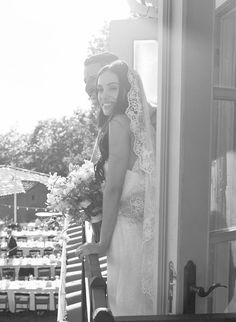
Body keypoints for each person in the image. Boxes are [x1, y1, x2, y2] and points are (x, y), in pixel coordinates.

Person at [76, 60, 157, 316]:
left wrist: (101, 244)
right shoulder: (141, 125)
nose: (103, 96)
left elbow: (114, 188)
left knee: (126, 305)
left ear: (126, 90)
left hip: (127, 233)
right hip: (143, 230)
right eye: (100, 89)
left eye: (112, 87)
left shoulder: (119, 124)